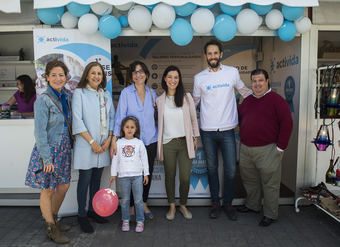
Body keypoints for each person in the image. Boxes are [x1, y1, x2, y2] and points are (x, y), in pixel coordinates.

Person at [193, 39, 252, 220]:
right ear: (206, 56)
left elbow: (245, 92)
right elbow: (193, 103)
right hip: (207, 131)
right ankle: (215, 203)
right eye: (209, 53)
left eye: (215, 53)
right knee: (211, 168)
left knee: (230, 170)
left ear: (221, 54)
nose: (212, 56)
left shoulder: (232, 73)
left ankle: (228, 204)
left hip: (228, 130)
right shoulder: (199, 78)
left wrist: (263, 98)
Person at [25, 60, 72, 244]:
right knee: (48, 190)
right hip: (49, 151)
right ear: (46, 77)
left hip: (64, 149)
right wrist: (46, 159)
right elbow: (40, 132)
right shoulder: (43, 100)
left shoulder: (67, 96)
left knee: (63, 186)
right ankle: (51, 227)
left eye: (61, 75)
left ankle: (53, 218)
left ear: (66, 77)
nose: (58, 78)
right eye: (54, 75)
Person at [238, 69, 293, 227]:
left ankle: (270, 214)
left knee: (270, 184)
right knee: (250, 180)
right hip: (247, 149)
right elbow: (241, 118)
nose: (257, 84)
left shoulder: (277, 100)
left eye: (260, 80)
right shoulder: (247, 100)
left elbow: (287, 124)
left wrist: (281, 148)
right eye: (254, 81)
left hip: (268, 149)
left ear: (267, 81)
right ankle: (252, 205)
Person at [72, 62, 115, 233]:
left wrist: (108, 140)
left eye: (99, 73)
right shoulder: (79, 93)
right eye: (93, 73)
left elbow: (112, 118)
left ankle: (93, 210)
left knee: (97, 180)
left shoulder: (106, 94)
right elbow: (77, 119)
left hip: (103, 146)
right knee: (85, 181)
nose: (97, 76)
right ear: (87, 76)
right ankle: (81, 215)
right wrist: (92, 143)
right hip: (87, 145)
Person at [111, 60, 157, 220]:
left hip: (150, 140)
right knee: (130, 174)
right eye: (135, 72)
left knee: (146, 172)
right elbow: (120, 117)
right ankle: (131, 206)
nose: (139, 75)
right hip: (131, 142)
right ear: (131, 76)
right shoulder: (126, 93)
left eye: (141, 71)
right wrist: (114, 140)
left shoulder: (152, 93)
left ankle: (143, 203)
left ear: (146, 74)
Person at [156, 65, 199, 220]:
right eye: (169, 77)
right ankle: (172, 206)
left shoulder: (187, 97)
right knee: (170, 175)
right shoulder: (159, 100)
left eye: (176, 77)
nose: (172, 80)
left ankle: (183, 204)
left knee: (186, 177)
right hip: (168, 143)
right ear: (165, 79)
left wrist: (195, 137)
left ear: (179, 79)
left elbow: (194, 119)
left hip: (184, 143)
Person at [110, 116, 149, 233]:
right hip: (123, 177)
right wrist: (113, 174)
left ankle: (140, 221)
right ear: (123, 128)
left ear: (136, 129)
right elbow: (115, 160)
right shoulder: (119, 142)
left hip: (137, 176)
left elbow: (144, 159)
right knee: (125, 200)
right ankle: (125, 219)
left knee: (138, 200)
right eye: (127, 127)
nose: (129, 129)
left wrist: (145, 174)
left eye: (132, 127)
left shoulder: (139, 143)